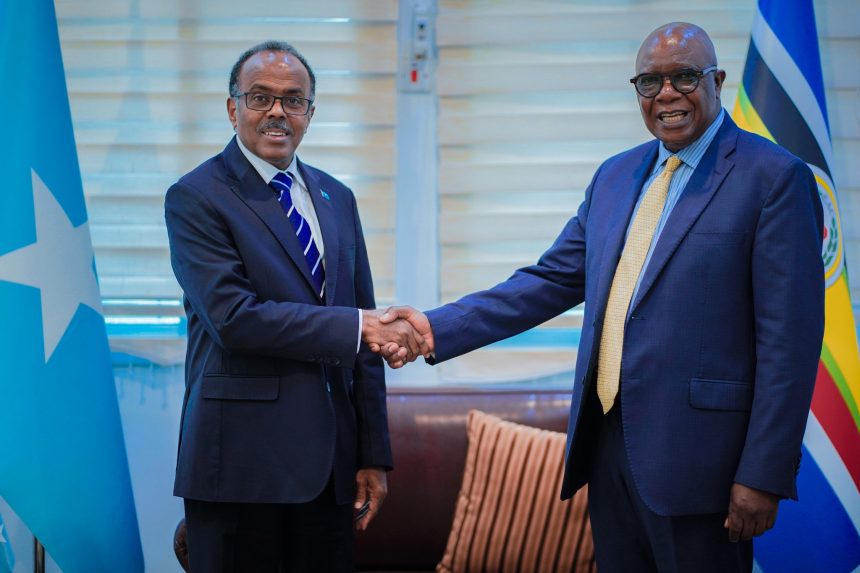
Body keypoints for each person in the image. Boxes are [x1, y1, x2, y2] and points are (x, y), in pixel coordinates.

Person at [373, 22, 824, 572]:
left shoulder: (774, 178)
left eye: (684, 77)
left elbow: (789, 343)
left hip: (704, 465)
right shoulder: (615, 176)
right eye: (650, 82)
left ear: (717, 81)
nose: (666, 95)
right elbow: (545, 282)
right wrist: (431, 328)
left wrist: (763, 473)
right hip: (608, 452)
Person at [164, 41, 428, 572]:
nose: (278, 112)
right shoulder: (197, 196)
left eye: (293, 100)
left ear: (310, 111)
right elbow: (234, 319)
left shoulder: (337, 197)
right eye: (260, 97)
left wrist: (372, 454)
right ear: (233, 107)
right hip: (241, 468)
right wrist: (360, 327)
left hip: (330, 472)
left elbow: (363, 324)